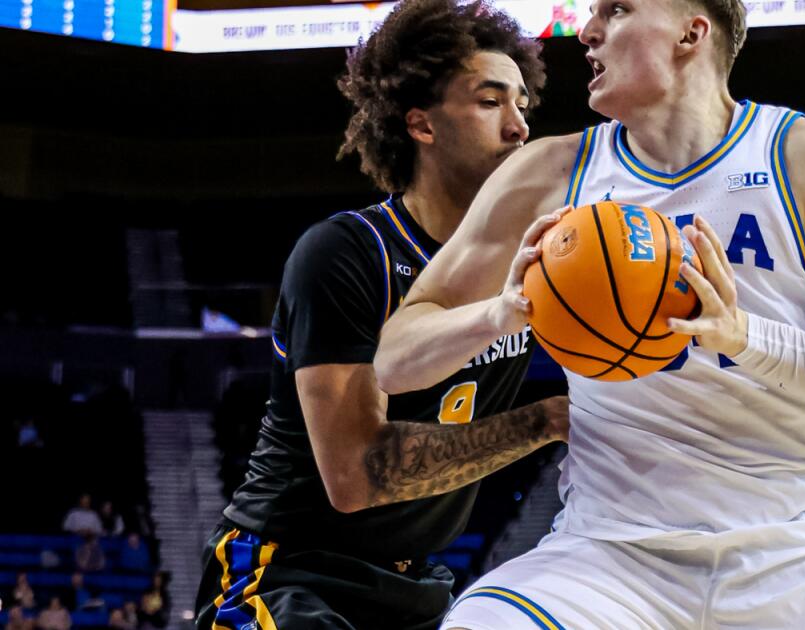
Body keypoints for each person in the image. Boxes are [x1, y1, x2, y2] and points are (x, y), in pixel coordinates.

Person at [375, 2, 805, 627]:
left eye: (615, 11)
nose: (586, 31)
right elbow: (397, 357)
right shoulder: (548, 175)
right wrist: (499, 313)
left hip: (791, 558)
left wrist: (745, 339)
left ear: (689, 32)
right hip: (609, 556)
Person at [192, 2, 568, 629]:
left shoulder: (541, 255)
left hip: (416, 583)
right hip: (288, 573)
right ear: (421, 125)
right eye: (489, 101)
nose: (518, 129)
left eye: (522, 105)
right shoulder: (345, 252)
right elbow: (356, 476)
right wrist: (546, 421)